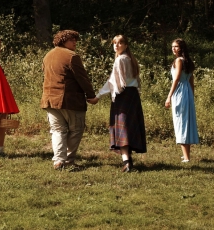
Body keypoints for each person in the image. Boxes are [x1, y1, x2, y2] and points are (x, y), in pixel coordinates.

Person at [88, 35, 147, 172]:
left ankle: (126, 162)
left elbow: (113, 82)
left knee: (123, 128)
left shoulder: (120, 60)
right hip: (132, 95)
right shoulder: (131, 59)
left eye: (120, 43)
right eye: (115, 43)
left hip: (123, 95)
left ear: (126, 45)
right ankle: (128, 161)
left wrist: (98, 96)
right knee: (128, 126)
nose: (117, 45)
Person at [41, 30, 96, 170]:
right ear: (62, 40)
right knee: (76, 129)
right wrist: (90, 95)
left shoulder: (47, 55)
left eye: (75, 40)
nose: (75, 42)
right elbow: (82, 78)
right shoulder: (72, 56)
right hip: (69, 100)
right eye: (72, 40)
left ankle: (58, 160)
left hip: (49, 99)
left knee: (57, 130)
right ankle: (68, 160)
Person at [165, 38, 199, 162]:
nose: (173, 49)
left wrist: (169, 96)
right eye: (172, 46)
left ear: (181, 48)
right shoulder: (188, 61)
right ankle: (186, 154)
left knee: (181, 122)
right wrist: (191, 95)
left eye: (176, 46)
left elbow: (177, 79)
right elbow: (191, 81)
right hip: (187, 92)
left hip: (180, 92)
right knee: (185, 121)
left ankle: (187, 157)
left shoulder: (179, 60)